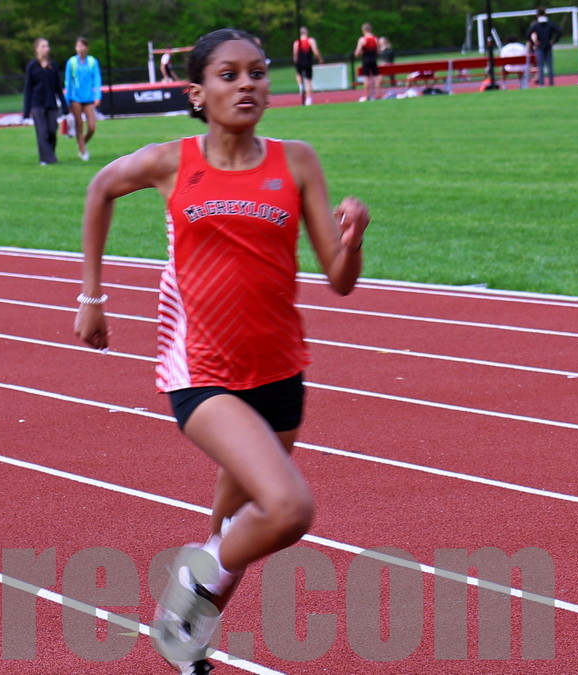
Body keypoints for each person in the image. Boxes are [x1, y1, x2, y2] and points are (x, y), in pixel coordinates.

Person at [72, 29, 369, 673]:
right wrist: (92, 297)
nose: (247, 85)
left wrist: (353, 238)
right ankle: (191, 582)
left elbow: (340, 279)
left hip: (280, 369)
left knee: (233, 531)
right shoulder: (169, 161)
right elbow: (99, 189)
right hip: (201, 369)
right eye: (229, 75)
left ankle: (185, 637)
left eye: (257, 72)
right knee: (287, 509)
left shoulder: (297, 161)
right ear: (197, 93)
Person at [22, 38, 67, 166]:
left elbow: (58, 87)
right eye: (43, 46)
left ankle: (49, 154)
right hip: (37, 104)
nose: (46, 49)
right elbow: (28, 88)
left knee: (52, 130)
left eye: (47, 46)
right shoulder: (32, 66)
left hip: (51, 103)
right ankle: (47, 159)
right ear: (37, 49)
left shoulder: (53, 65)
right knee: (42, 132)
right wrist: (26, 112)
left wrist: (64, 107)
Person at [65, 37, 102, 161]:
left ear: (87, 48)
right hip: (75, 98)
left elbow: (97, 79)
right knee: (79, 124)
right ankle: (83, 151)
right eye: (77, 46)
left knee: (91, 127)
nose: (80, 48)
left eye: (82, 46)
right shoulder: (71, 62)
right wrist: (67, 100)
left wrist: (97, 96)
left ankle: (82, 142)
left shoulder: (92, 62)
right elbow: (68, 81)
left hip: (88, 98)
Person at [527, 7, 562, 87]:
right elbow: (559, 32)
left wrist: (534, 42)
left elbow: (528, 34)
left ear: (537, 15)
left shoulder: (536, 25)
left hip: (540, 47)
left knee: (540, 66)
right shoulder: (550, 24)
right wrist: (553, 41)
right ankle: (551, 83)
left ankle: (541, 83)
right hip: (548, 46)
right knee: (550, 66)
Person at [292, 26, 324, 105]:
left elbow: (295, 53)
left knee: (298, 74)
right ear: (307, 32)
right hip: (307, 61)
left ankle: (301, 86)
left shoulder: (296, 42)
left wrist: (295, 61)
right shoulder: (310, 40)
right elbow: (315, 51)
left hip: (299, 62)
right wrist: (319, 58)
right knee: (308, 80)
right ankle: (308, 98)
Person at [355, 23, 381, 100]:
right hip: (374, 59)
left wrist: (361, 52)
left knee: (366, 78)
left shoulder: (362, 39)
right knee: (376, 77)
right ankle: (378, 94)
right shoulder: (375, 39)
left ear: (364, 30)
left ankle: (367, 96)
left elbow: (357, 53)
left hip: (366, 59)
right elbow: (378, 51)